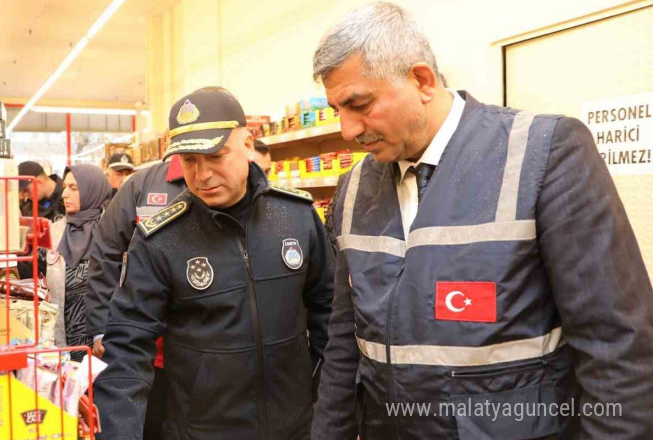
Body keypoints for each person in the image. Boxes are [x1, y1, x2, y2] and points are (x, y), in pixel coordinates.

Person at [311, 3, 653, 440]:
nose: (346, 129)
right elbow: (344, 343)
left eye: (359, 104)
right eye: (336, 108)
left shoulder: (544, 155)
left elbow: (617, 348)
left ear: (421, 80)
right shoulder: (355, 187)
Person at [94, 87, 335, 440]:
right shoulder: (161, 239)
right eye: (189, 161)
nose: (202, 175)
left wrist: (324, 397)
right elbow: (127, 349)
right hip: (201, 430)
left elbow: (329, 313)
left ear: (248, 145)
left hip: (296, 426)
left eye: (216, 156)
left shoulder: (297, 217)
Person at [86, 155, 187, 440]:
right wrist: (99, 328)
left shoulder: (223, 184)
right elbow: (105, 255)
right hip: (146, 347)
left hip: (203, 350)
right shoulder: (141, 185)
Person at [49, 164, 111, 360]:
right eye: (65, 187)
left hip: (102, 344)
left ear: (92, 189)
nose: (65, 194)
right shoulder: (54, 233)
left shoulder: (111, 233)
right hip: (59, 343)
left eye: (74, 188)